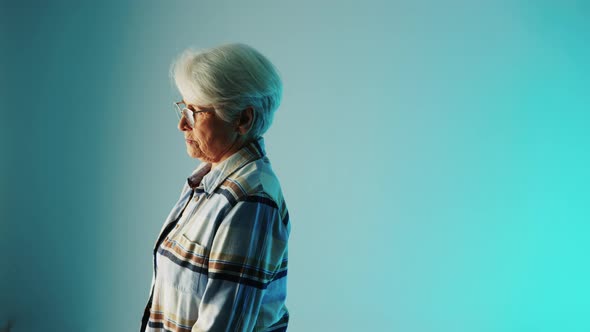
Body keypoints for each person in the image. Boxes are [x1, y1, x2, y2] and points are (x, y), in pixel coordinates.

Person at [140, 43, 290, 332]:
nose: (183, 124)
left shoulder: (251, 199)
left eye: (195, 111)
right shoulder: (208, 183)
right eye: (183, 108)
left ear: (243, 119)